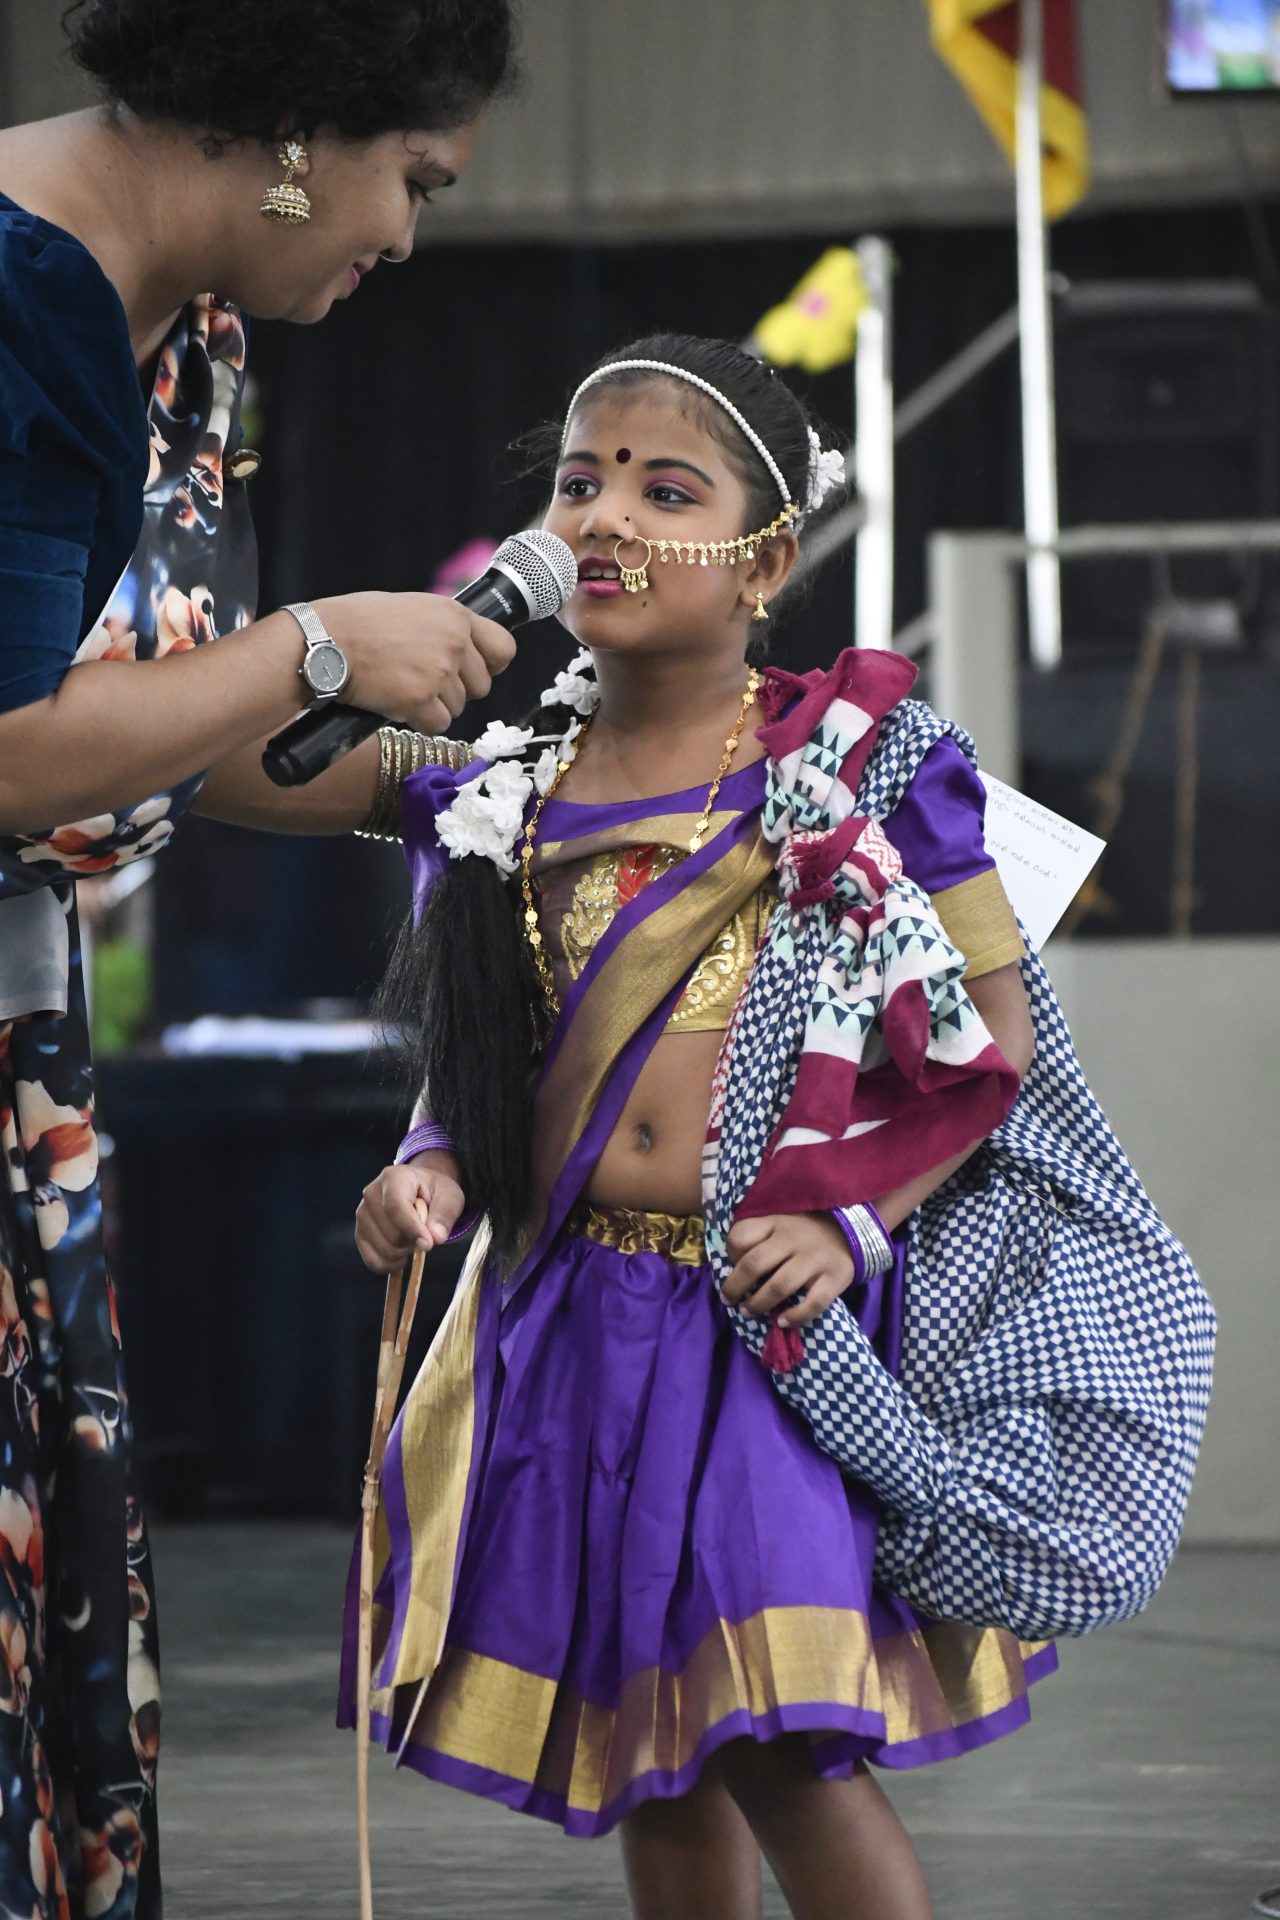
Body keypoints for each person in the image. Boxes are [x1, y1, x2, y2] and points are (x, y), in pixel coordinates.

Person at [345, 334, 1060, 1920]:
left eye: (666, 490)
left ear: (767, 558)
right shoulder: (503, 785)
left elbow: (994, 1040)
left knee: (779, 1739)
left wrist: (851, 1219)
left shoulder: (870, 765)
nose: (605, 517)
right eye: (579, 482)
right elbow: (482, 1044)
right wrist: (429, 1164)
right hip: (578, 1316)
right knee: (648, 1740)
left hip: (769, 1321)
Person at [0, 2, 521, 1912]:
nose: (405, 238)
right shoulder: (16, 290)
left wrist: (497, 798)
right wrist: (313, 642)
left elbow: (163, 732)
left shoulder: (198, 322)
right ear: (300, 125)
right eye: (416, 181)